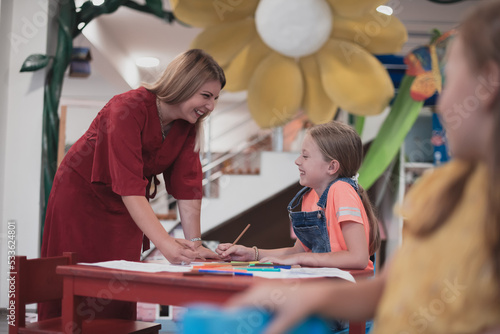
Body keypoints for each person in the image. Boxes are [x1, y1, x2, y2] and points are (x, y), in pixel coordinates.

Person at [226, 1, 500, 333]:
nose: (441, 102)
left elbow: (352, 260)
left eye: (451, 78)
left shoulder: (342, 191)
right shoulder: (438, 189)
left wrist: (308, 274)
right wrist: (284, 276)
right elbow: (386, 287)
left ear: (489, 81)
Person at [40, 49, 224, 320]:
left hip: (127, 204)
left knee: (119, 282)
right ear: (182, 84)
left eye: (216, 98)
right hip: (81, 197)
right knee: (76, 275)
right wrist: (166, 245)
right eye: (206, 96)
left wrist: (194, 245)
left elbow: (189, 189)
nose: (210, 106)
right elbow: (128, 185)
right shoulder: (127, 107)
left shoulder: (187, 125)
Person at [216, 121, 380, 271]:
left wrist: (303, 259)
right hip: (324, 284)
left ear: (332, 166)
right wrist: (252, 254)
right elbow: (297, 251)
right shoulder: (310, 197)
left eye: (305, 156)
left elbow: (358, 258)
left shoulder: (341, 190)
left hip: (349, 289)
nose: (297, 161)